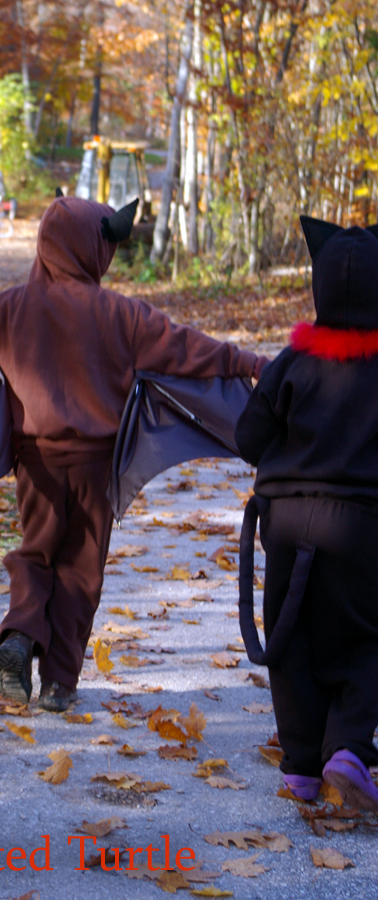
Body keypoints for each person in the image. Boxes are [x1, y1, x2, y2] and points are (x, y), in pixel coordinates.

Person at [0, 195, 266, 712]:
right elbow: (190, 349)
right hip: (97, 462)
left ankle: (19, 636)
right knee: (82, 568)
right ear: (94, 248)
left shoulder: (6, 309)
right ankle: (61, 682)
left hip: (35, 461)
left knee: (36, 550)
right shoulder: (124, 314)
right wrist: (252, 362)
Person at [235, 215, 378, 810]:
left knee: (291, 641)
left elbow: (249, 439)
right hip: (363, 528)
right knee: (367, 639)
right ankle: (346, 747)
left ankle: (300, 768)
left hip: (287, 524)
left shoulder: (290, 364)